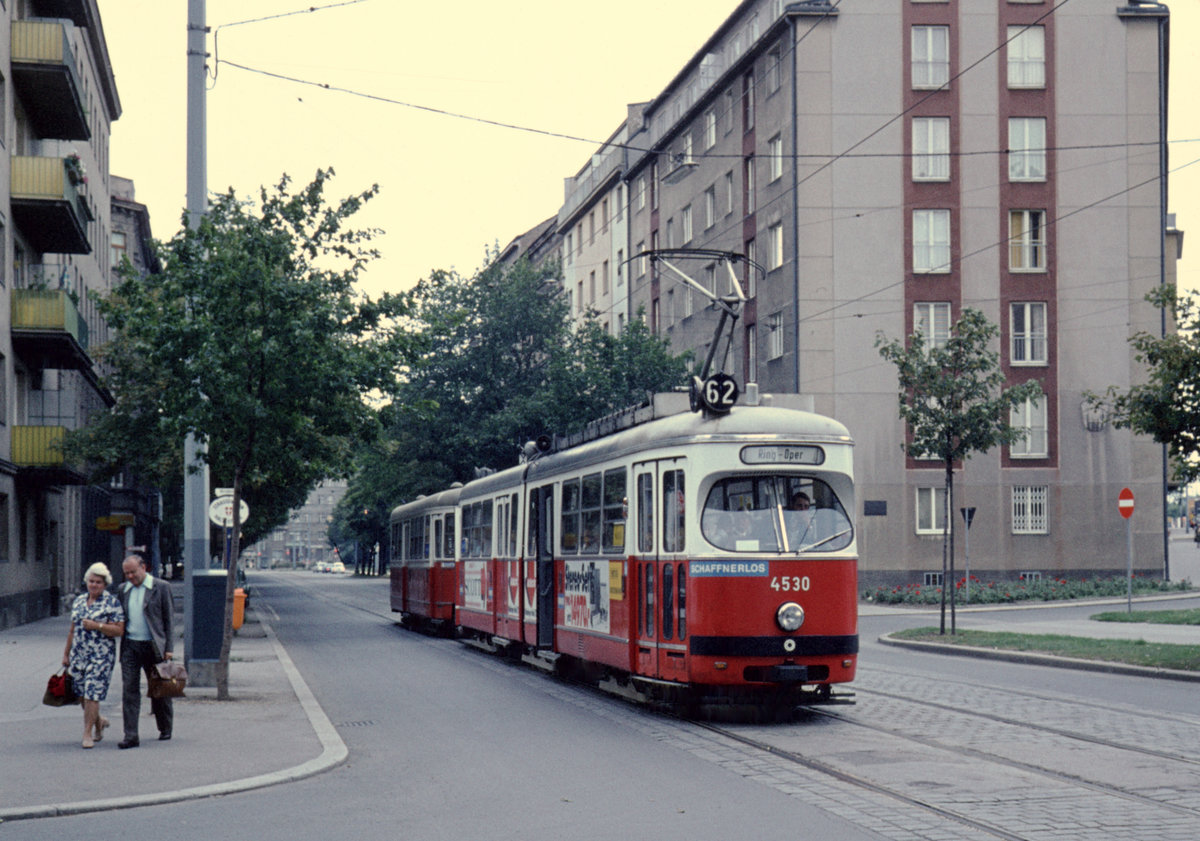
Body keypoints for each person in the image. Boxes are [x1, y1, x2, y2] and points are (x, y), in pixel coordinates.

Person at [63, 563, 125, 749]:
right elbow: (73, 630)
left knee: (92, 693)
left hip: (101, 655)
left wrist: (97, 626)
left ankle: (87, 733)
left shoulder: (111, 603)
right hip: (79, 654)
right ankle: (99, 721)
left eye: (98, 582)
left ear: (105, 584)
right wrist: (66, 654)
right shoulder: (79, 601)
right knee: (81, 694)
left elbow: (119, 630)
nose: (94, 585)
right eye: (91, 581)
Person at [116, 553, 174, 748]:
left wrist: (169, 649)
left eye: (133, 572)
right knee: (129, 691)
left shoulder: (161, 587)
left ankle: (165, 727)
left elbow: (169, 621)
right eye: (126, 574)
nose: (130, 577)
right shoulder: (123, 590)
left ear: (143, 567)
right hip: (131, 646)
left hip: (154, 645)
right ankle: (131, 735)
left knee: (159, 690)